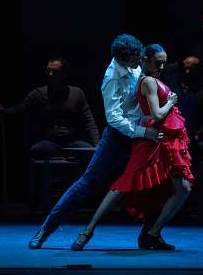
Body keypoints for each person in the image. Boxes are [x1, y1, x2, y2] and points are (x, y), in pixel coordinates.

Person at [28, 34, 163, 249]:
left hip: (141, 135)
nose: (139, 62)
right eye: (134, 59)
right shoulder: (112, 78)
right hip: (119, 138)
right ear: (122, 59)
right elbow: (114, 118)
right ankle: (46, 229)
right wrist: (142, 132)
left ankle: (150, 235)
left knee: (155, 182)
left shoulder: (137, 65)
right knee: (87, 183)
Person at [71, 44, 193, 251]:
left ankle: (152, 234)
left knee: (175, 188)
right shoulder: (148, 82)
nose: (162, 66)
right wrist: (171, 101)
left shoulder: (148, 78)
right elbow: (157, 114)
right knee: (124, 185)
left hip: (162, 139)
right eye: (158, 62)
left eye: (164, 62)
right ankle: (88, 230)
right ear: (145, 60)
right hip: (152, 140)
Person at [0, 57, 100, 155]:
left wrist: (97, 144)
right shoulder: (38, 94)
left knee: (91, 152)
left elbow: (89, 121)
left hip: (72, 142)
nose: (50, 74)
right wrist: (4, 111)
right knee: (37, 150)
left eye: (55, 71)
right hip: (49, 142)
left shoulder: (77, 93)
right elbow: (20, 108)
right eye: (48, 71)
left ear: (63, 74)